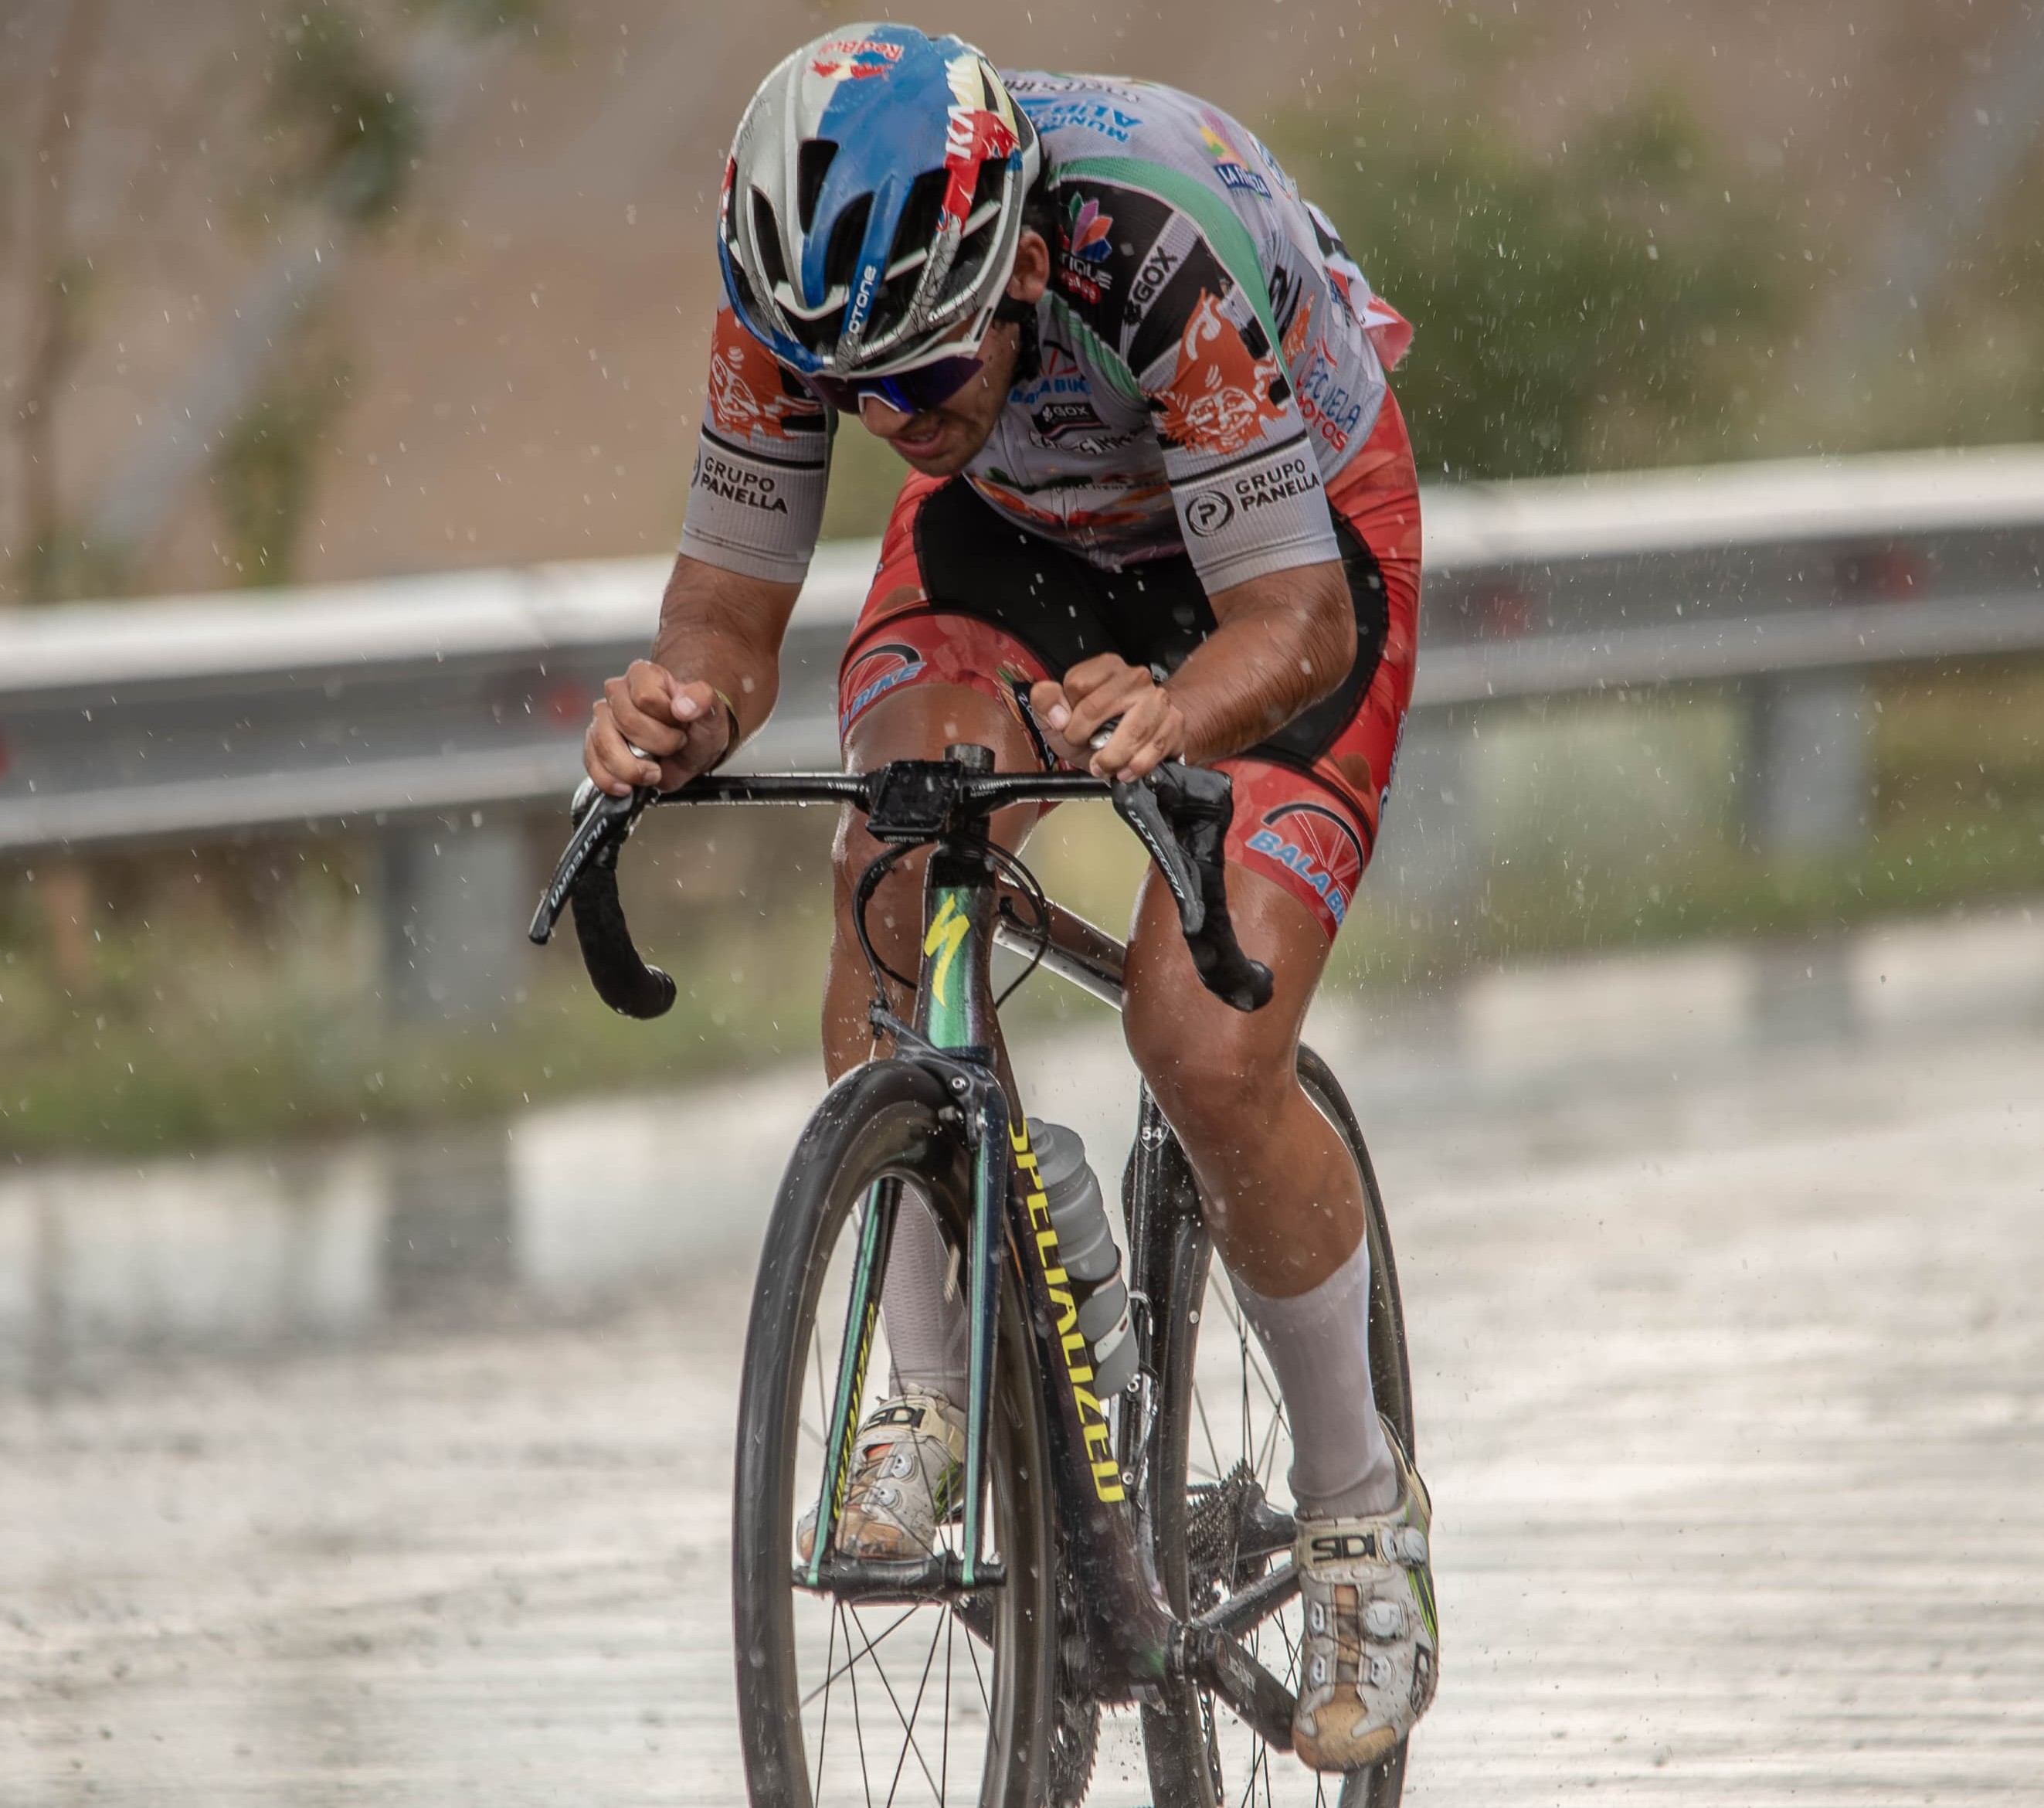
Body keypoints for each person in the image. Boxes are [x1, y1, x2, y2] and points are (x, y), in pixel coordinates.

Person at [579, 25, 1434, 1772]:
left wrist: (1172, 708)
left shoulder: (1154, 244)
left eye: (926, 370)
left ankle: (1361, 1510)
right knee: (890, 862)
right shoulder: (794, 293)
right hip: (1020, 534)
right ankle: (938, 1371)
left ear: (1024, 259)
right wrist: (671, 709)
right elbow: (726, 629)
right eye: (855, 393)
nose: (894, 415)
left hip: (1282, 548)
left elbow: (1296, 627)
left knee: (1202, 1043)